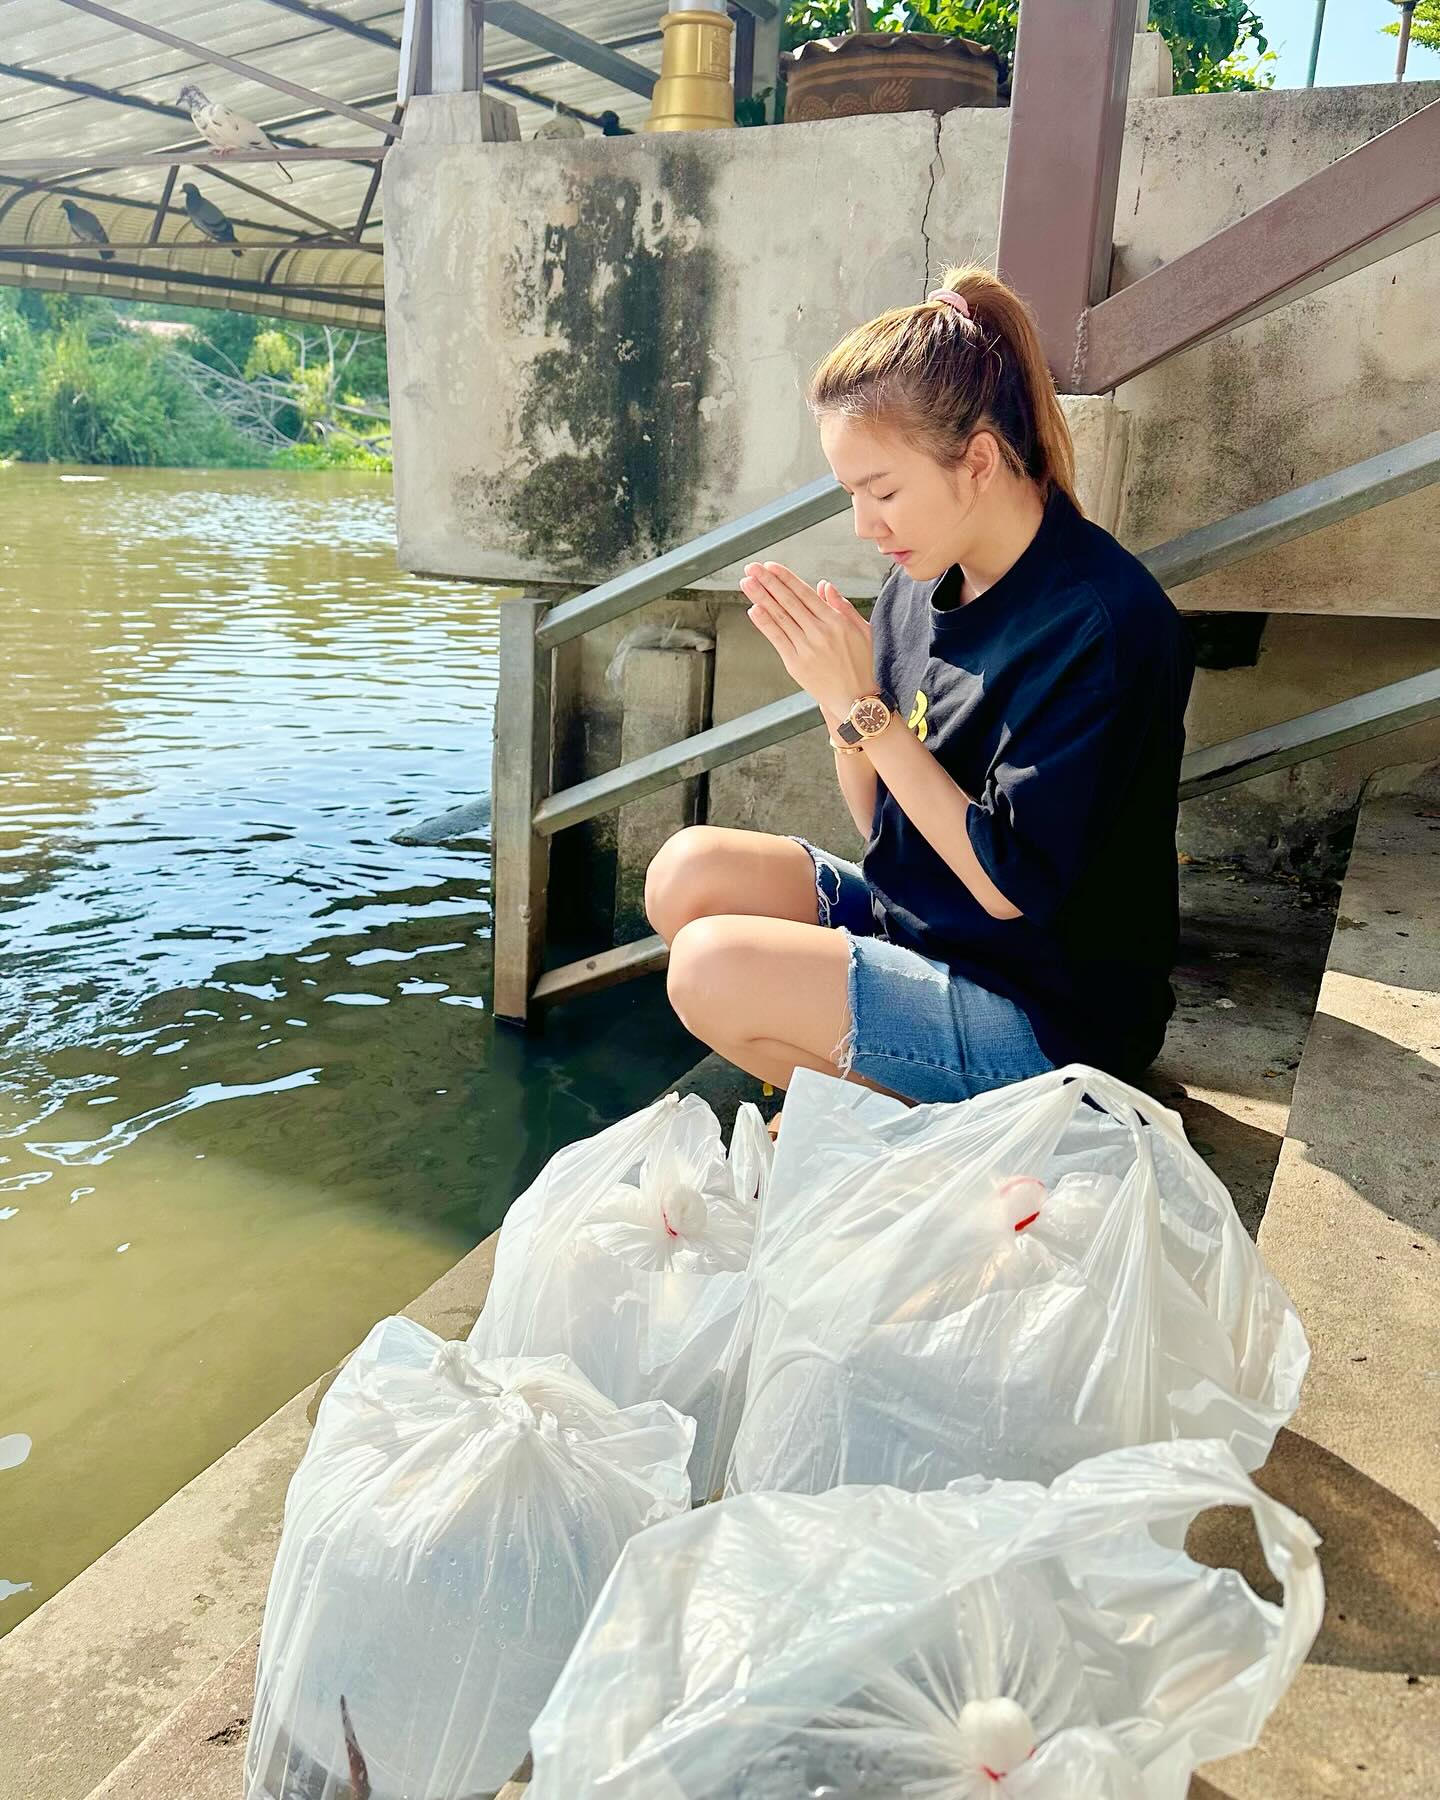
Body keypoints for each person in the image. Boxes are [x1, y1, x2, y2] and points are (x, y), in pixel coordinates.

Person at [644, 264, 1194, 1108]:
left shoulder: (1100, 627)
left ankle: (900, 1110)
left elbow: (1009, 889)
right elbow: (883, 826)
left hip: (1050, 1015)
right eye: (851, 495)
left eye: (884, 490)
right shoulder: (924, 577)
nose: (867, 526)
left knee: (711, 970)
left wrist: (867, 711)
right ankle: (870, 1077)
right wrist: (842, 704)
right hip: (932, 930)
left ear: (978, 460)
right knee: (686, 873)